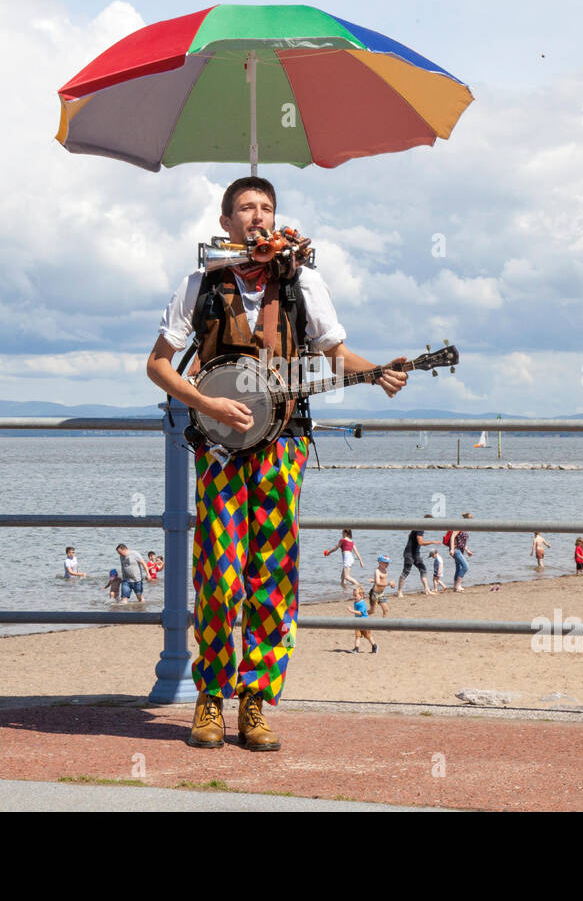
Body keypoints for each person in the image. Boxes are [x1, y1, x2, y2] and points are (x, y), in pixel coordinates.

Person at [145, 176, 407, 750]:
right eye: (245, 208)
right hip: (219, 450)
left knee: (273, 577)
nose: (257, 216)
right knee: (219, 572)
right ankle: (210, 699)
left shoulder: (303, 282)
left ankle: (255, 702)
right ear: (226, 222)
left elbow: (335, 355)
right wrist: (206, 402)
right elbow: (159, 365)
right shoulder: (201, 284)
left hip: (284, 446)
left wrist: (376, 373)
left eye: (266, 207)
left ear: (276, 218)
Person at [397, 517, 439, 596]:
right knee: (406, 571)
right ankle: (399, 592)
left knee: (423, 569)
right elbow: (420, 542)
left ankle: (427, 590)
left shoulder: (417, 527)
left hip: (415, 553)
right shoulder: (420, 528)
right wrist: (432, 541)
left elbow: (409, 535)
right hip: (409, 553)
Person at [349, 586, 377, 654]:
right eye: (353, 595)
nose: (354, 597)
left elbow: (360, 612)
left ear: (361, 596)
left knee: (368, 636)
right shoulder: (356, 602)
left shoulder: (362, 603)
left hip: (364, 622)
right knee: (357, 635)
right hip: (358, 622)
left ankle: (374, 646)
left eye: (355, 595)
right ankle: (356, 648)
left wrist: (351, 611)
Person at [452, 513, 474, 592]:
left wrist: (467, 551)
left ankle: (456, 587)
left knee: (458, 569)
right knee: (465, 566)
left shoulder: (465, 528)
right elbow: (452, 536)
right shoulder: (459, 526)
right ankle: (458, 585)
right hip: (456, 550)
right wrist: (451, 549)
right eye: (470, 520)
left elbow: (462, 542)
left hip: (460, 550)